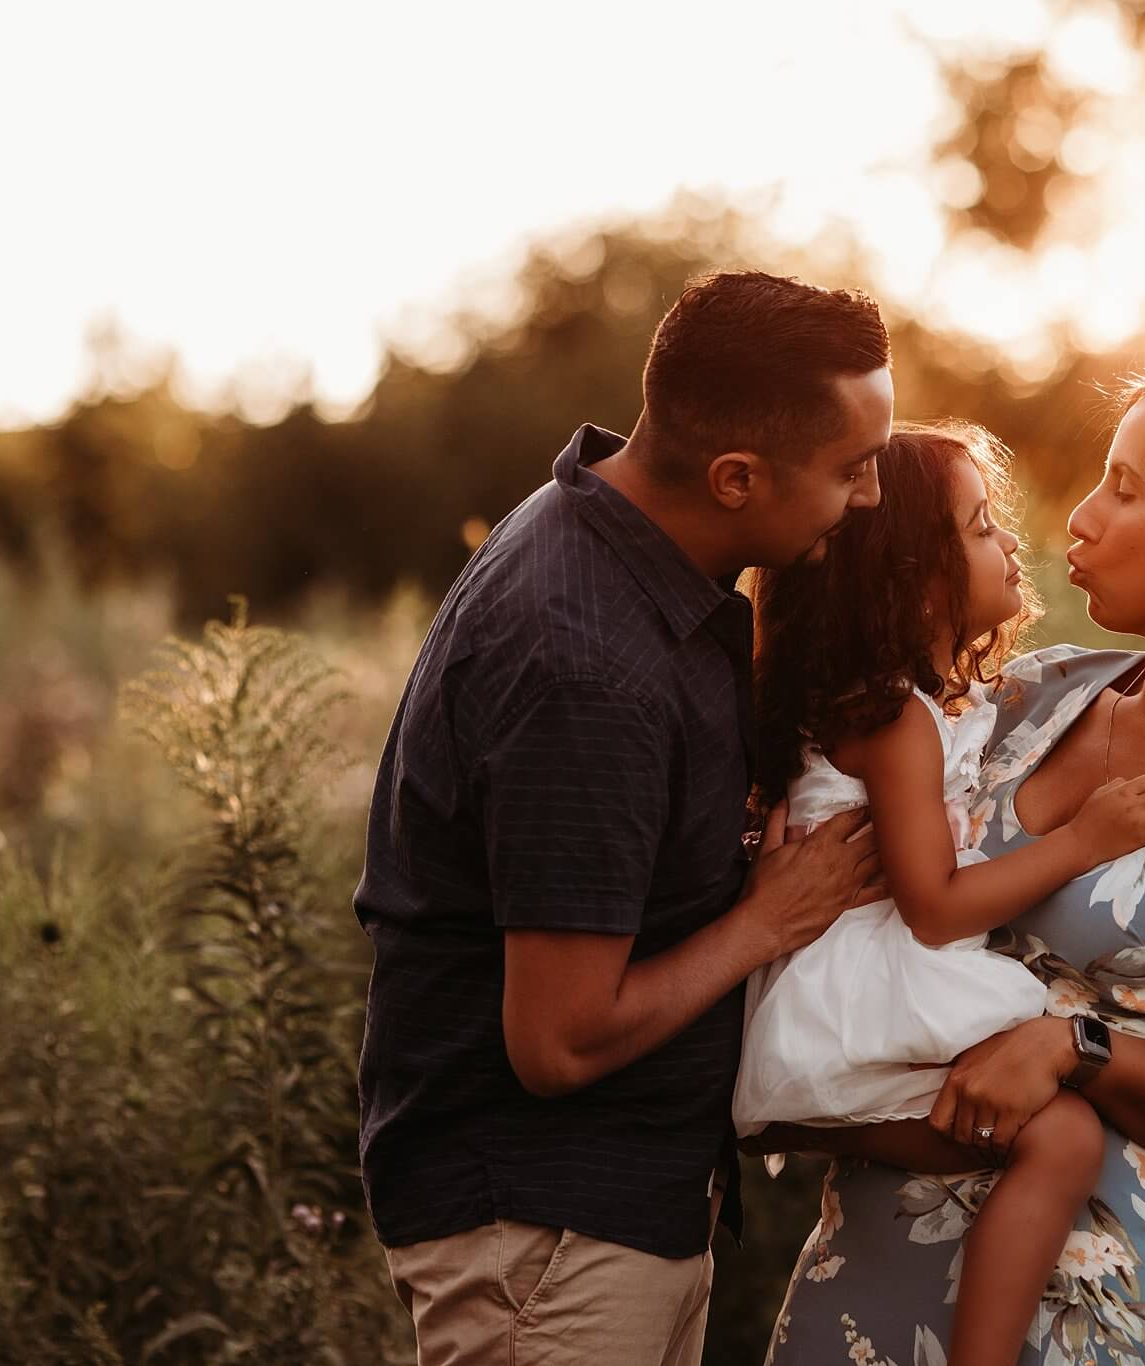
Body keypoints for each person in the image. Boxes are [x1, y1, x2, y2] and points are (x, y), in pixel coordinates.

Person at [761, 357, 1145, 1366]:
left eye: (1125, 488)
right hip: (862, 1278)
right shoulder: (1026, 694)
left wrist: (1073, 1046)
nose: (1080, 518)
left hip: (1084, 1308)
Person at [353, 270, 894, 1366]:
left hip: (600, 1215)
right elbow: (555, 1039)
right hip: (544, 1236)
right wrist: (766, 919)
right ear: (735, 477)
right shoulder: (586, 664)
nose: (873, 496)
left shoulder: (619, 548)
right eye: (851, 468)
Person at [736, 422, 1145, 1366]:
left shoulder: (907, 705)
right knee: (1060, 1138)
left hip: (844, 987)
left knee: (1052, 1130)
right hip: (861, 990)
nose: (1012, 542)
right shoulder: (897, 720)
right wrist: (1080, 841)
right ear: (909, 578)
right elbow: (935, 907)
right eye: (981, 528)